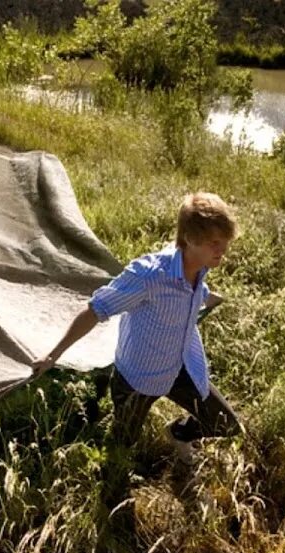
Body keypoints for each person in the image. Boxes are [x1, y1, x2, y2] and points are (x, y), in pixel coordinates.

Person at [32, 192, 242, 508]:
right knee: (120, 451)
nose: (222, 251)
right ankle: (110, 511)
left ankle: (179, 435)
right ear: (189, 238)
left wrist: (212, 298)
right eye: (215, 243)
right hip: (137, 379)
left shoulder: (201, 266)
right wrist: (53, 354)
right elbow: (95, 309)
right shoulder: (149, 275)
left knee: (227, 425)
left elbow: (196, 292)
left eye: (225, 243)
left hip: (181, 367)